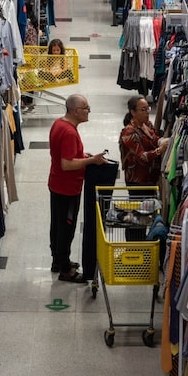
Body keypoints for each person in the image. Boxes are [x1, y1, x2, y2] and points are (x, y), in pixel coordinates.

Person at [48, 94, 107, 283]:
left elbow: (63, 155)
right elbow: (66, 164)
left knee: (57, 225)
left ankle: (58, 261)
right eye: (86, 108)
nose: (89, 111)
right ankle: (66, 270)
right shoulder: (70, 132)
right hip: (67, 188)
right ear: (75, 111)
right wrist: (92, 160)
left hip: (56, 183)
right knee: (66, 229)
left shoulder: (59, 124)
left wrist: (82, 154)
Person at [119, 95, 167, 188]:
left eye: (148, 109)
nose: (147, 112)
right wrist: (160, 150)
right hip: (138, 181)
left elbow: (155, 139)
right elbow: (142, 156)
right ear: (133, 112)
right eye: (143, 110)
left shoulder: (147, 124)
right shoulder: (129, 133)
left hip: (151, 177)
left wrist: (163, 141)